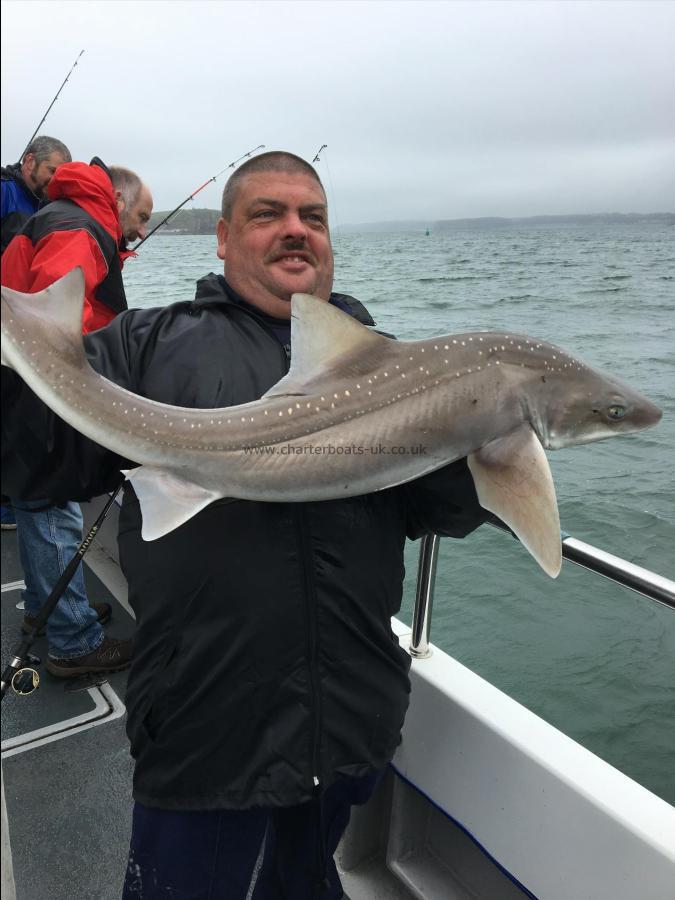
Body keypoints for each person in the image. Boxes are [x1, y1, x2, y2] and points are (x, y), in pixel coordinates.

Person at [1, 151, 486, 899]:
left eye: (313, 217)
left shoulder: (391, 367)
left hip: (349, 722)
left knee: (304, 884)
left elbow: (439, 516)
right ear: (222, 238)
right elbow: (37, 464)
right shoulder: (145, 346)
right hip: (206, 734)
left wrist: (482, 442)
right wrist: (19, 359)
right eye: (268, 214)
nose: (295, 231)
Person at [2, 157, 153, 677]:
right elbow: (49, 318)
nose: (142, 229)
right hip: (36, 388)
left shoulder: (66, 216)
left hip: (19, 382)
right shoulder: (79, 226)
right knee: (51, 501)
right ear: (118, 202)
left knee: (33, 501)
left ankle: (50, 610)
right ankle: (73, 640)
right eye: (142, 216)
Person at [1, 135, 72, 528]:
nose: (54, 181)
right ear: (28, 161)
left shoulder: (46, 207)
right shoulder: (6, 192)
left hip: (20, 328)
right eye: (50, 172)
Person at [1, 134, 72, 253]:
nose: (57, 179)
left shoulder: (54, 206)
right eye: (52, 171)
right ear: (30, 161)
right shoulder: (4, 190)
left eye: (62, 174)